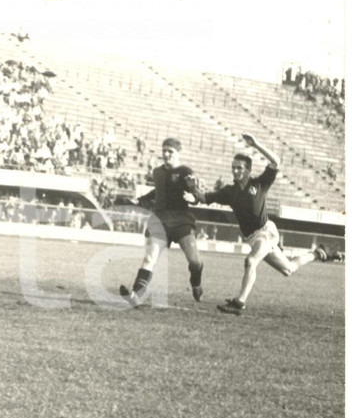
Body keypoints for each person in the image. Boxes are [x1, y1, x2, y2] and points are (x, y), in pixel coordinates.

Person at [194, 133, 327, 315]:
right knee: (288, 269)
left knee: (250, 261)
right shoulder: (229, 192)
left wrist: (256, 144)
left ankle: (239, 303)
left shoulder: (259, 183)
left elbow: (276, 161)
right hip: (253, 238)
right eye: (233, 167)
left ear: (248, 170)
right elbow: (204, 198)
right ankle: (318, 254)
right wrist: (191, 191)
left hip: (266, 232)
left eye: (239, 168)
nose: (235, 171)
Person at [119, 137, 204, 307]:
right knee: (150, 258)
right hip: (160, 220)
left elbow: (198, 195)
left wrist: (193, 197)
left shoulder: (186, 171)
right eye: (164, 151)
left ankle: (196, 284)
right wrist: (139, 200)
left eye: (170, 151)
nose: (166, 154)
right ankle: (135, 295)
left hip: (181, 222)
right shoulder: (157, 172)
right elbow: (157, 192)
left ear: (178, 153)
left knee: (195, 262)